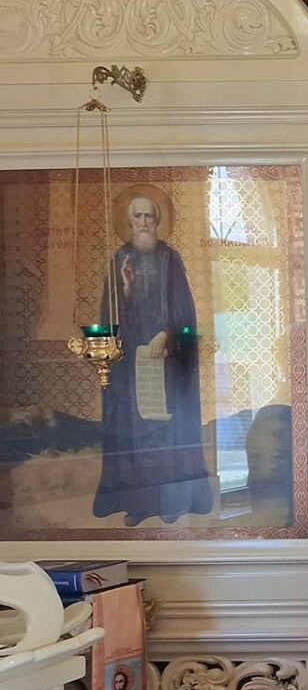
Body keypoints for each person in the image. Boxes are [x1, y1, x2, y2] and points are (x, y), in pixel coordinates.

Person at [94, 192, 215, 524]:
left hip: (167, 365)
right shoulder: (120, 259)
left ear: (158, 221)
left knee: (168, 434)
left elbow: (184, 309)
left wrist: (167, 333)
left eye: (149, 216)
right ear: (128, 221)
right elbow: (110, 315)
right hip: (131, 367)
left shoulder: (170, 259)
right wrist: (127, 288)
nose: (143, 223)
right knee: (135, 435)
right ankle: (138, 505)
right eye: (137, 217)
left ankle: (172, 503)